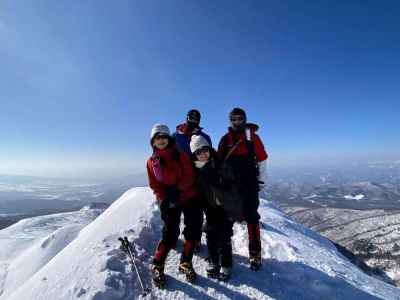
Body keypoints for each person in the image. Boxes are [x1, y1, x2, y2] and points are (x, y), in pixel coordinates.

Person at [146, 124, 203, 287]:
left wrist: (177, 191)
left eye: (164, 136)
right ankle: (157, 264)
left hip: (188, 195)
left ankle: (185, 262)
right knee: (169, 232)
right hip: (169, 199)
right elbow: (154, 184)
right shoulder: (151, 162)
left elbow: (189, 176)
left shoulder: (180, 155)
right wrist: (162, 199)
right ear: (153, 141)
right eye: (158, 137)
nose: (161, 140)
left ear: (169, 138)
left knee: (193, 228)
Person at [218, 108, 268, 271]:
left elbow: (261, 160)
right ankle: (225, 251)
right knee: (227, 219)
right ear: (230, 120)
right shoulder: (225, 140)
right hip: (231, 187)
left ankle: (255, 254)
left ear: (245, 119)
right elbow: (219, 163)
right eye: (234, 119)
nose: (237, 121)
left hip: (249, 184)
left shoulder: (252, 137)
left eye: (240, 118)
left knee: (252, 218)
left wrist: (261, 181)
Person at [190, 135, 235, 281]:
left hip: (225, 207)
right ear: (194, 155)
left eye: (205, 149)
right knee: (211, 235)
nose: (202, 154)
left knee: (225, 235)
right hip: (210, 208)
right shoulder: (196, 170)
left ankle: (226, 263)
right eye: (198, 152)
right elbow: (198, 191)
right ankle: (214, 260)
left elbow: (230, 183)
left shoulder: (219, 164)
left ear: (210, 149)